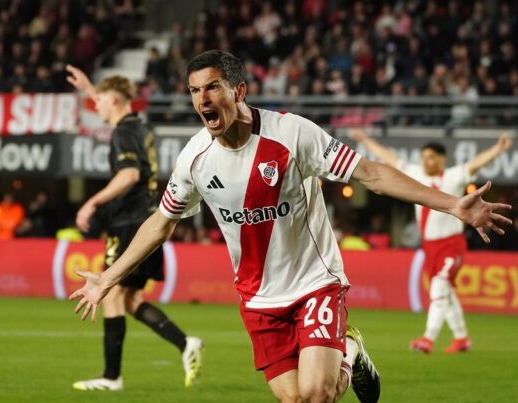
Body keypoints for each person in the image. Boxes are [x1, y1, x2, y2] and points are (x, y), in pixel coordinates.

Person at [70, 50, 512, 403]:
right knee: (296, 398)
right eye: (194, 90)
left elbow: (371, 174)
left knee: (318, 395)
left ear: (238, 90)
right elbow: (161, 223)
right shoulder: (194, 160)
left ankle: (342, 349)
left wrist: (453, 204)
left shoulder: (292, 134)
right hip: (259, 296)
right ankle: (351, 351)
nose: (202, 99)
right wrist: (108, 277)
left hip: (315, 281)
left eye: (213, 87)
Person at [66, 64, 204, 391]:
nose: (94, 105)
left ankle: (111, 378)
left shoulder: (122, 133)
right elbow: (107, 99)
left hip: (128, 222)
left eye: (99, 101)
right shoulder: (140, 127)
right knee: (128, 300)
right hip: (147, 219)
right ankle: (186, 343)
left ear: (113, 100)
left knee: (110, 294)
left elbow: (128, 176)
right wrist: (88, 86)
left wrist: (91, 203)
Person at [350, 129, 514, 353]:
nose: (426, 161)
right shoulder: (417, 175)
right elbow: (389, 158)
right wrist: (365, 140)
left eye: (430, 157)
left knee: (439, 287)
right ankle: (462, 338)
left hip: (451, 244)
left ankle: (428, 339)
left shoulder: (453, 176)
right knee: (445, 293)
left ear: (441, 159)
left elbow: (475, 164)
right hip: (429, 247)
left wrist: (498, 148)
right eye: (424, 157)